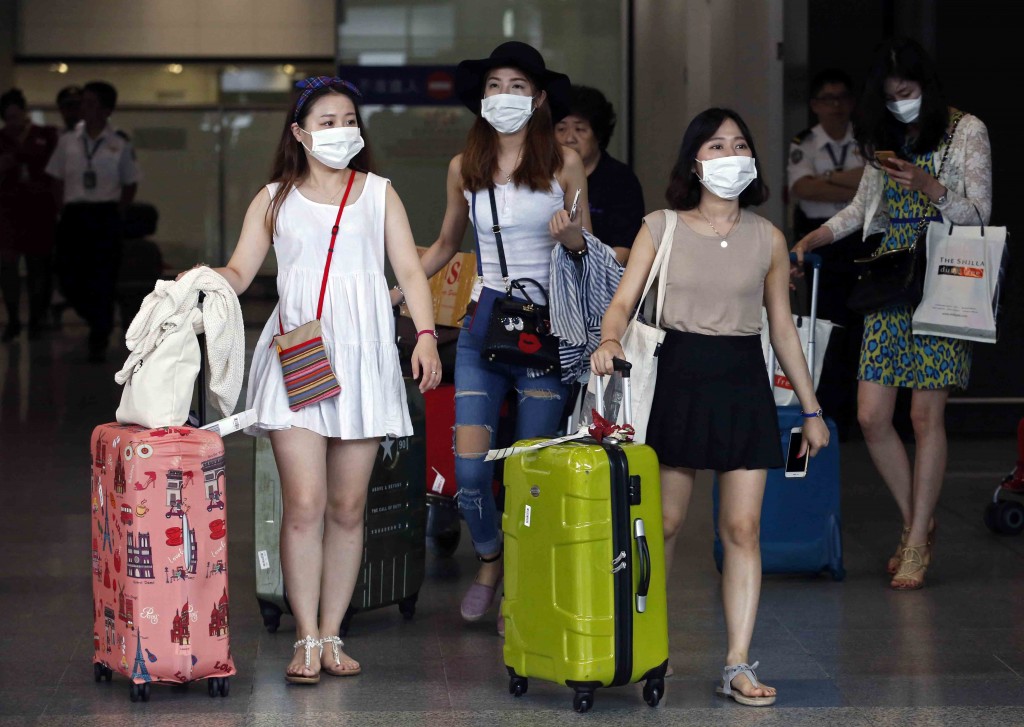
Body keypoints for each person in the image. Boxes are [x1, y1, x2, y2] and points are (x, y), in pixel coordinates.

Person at [180, 77, 441, 683]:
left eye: (348, 118)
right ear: (299, 132)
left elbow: (408, 267)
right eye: (326, 121)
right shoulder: (275, 198)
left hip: (364, 360)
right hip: (299, 357)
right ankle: (303, 637)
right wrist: (204, 279)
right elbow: (242, 270)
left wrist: (425, 335)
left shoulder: (379, 194)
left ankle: (332, 634)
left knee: (349, 509)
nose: (340, 129)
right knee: (305, 503)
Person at [592, 108, 830, 706]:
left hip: (742, 382)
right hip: (677, 377)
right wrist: (609, 338)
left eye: (740, 144)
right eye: (716, 145)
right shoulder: (661, 226)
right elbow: (622, 303)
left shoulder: (768, 238)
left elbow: (782, 330)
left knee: (742, 528)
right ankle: (649, 647)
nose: (730, 155)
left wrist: (811, 408)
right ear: (694, 161)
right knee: (666, 525)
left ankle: (736, 664)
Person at [792, 37, 992, 590]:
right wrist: (815, 236)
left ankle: (916, 538)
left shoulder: (965, 130)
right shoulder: (884, 137)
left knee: (927, 416)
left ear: (925, 88)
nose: (900, 103)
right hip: (888, 276)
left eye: (906, 93)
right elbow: (861, 210)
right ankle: (917, 526)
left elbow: (979, 212)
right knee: (872, 414)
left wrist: (929, 185)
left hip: (946, 272)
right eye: (889, 96)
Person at [408, 41, 588, 633]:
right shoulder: (466, 167)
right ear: (481, 98)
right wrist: (393, 293)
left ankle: (526, 580)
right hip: (485, 325)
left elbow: (586, 253)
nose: (503, 96)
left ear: (538, 99)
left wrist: (570, 240)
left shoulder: (565, 163)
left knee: (530, 474)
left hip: (546, 330)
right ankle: (490, 561)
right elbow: (442, 246)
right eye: (494, 86)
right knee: (470, 472)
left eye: (516, 86)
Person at [787, 68, 866, 439]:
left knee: (860, 329)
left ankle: (858, 414)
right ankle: (828, 410)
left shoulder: (865, 139)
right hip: (821, 244)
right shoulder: (805, 141)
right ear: (815, 105)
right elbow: (803, 188)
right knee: (826, 327)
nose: (835, 106)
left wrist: (829, 179)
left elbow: (871, 182)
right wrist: (846, 179)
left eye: (841, 98)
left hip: (861, 242)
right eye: (827, 99)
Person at [45, 80, 140, 362]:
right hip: (74, 215)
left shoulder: (118, 143)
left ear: (106, 110)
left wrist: (117, 213)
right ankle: (97, 319)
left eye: (89, 103)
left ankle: (100, 330)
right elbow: (55, 177)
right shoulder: (67, 141)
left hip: (105, 215)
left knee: (103, 276)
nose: (82, 109)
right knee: (67, 275)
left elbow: (130, 182)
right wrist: (61, 208)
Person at [555, 84, 644, 264]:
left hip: (604, 278)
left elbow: (625, 246)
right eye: (561, 128)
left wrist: (597, 278)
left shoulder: (620, 179)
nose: (569, 138)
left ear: (599, 134)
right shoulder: (541, 175)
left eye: (580, 129)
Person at [0, 89, 59, 340]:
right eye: (8, 118)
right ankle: (13, 318)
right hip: (8, 212)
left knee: (39, 267)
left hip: (40, 211)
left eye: (17, 116)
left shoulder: (46, 135)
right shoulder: (1, 140)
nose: (13, 122)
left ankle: (37, 317)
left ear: (24, 113)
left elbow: (57, 173)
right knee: (8, 266)